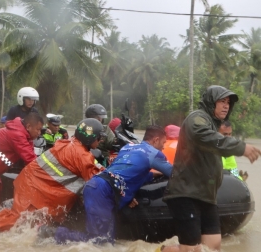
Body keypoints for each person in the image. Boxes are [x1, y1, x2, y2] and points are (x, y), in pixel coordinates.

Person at [160, 85, 261, 252]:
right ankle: (160, 250)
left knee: (212, 247)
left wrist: (237, 176)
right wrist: (241, 148)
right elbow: (207, 137)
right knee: (191, 249)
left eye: (228, 102)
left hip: (206, 195)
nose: (226, 106)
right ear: (210, 102)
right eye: (222, 101)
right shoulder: (197, 119)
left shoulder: (214, 126)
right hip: (186, 193)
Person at [42, 125, 172, 244]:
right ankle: (53, 234)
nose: (163, 147)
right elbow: (174, 172)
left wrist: (154, 175)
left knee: (109, 242)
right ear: (155, 140)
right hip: (103, 190)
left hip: (97, 184)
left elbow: (127, 172)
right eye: (163, 143)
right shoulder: (154, 153)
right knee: (100, 242)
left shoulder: (129, 147)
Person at [0, 118, 106, 232]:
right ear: (90, 138)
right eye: (99, 137)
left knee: (29, 222)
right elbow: (99, 178)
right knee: (15, 219)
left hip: (35, 184)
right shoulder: (82, 156)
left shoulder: (69, 142)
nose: (101, 140)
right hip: (34, 189)